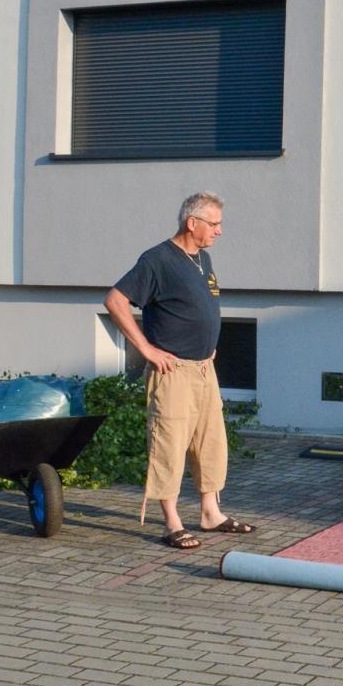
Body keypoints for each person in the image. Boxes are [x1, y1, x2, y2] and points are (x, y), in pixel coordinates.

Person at [105, 192, 256, 550]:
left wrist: (208, 343)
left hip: (204, 370)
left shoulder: (203, 258)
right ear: (192, 223)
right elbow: (115, 300)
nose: (220, 230)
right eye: (214, 224)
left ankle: (210, 513)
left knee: (210, 443)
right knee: (169, 444)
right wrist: (146, 349)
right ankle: (172, 523)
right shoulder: (157, 260)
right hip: (172, 372)